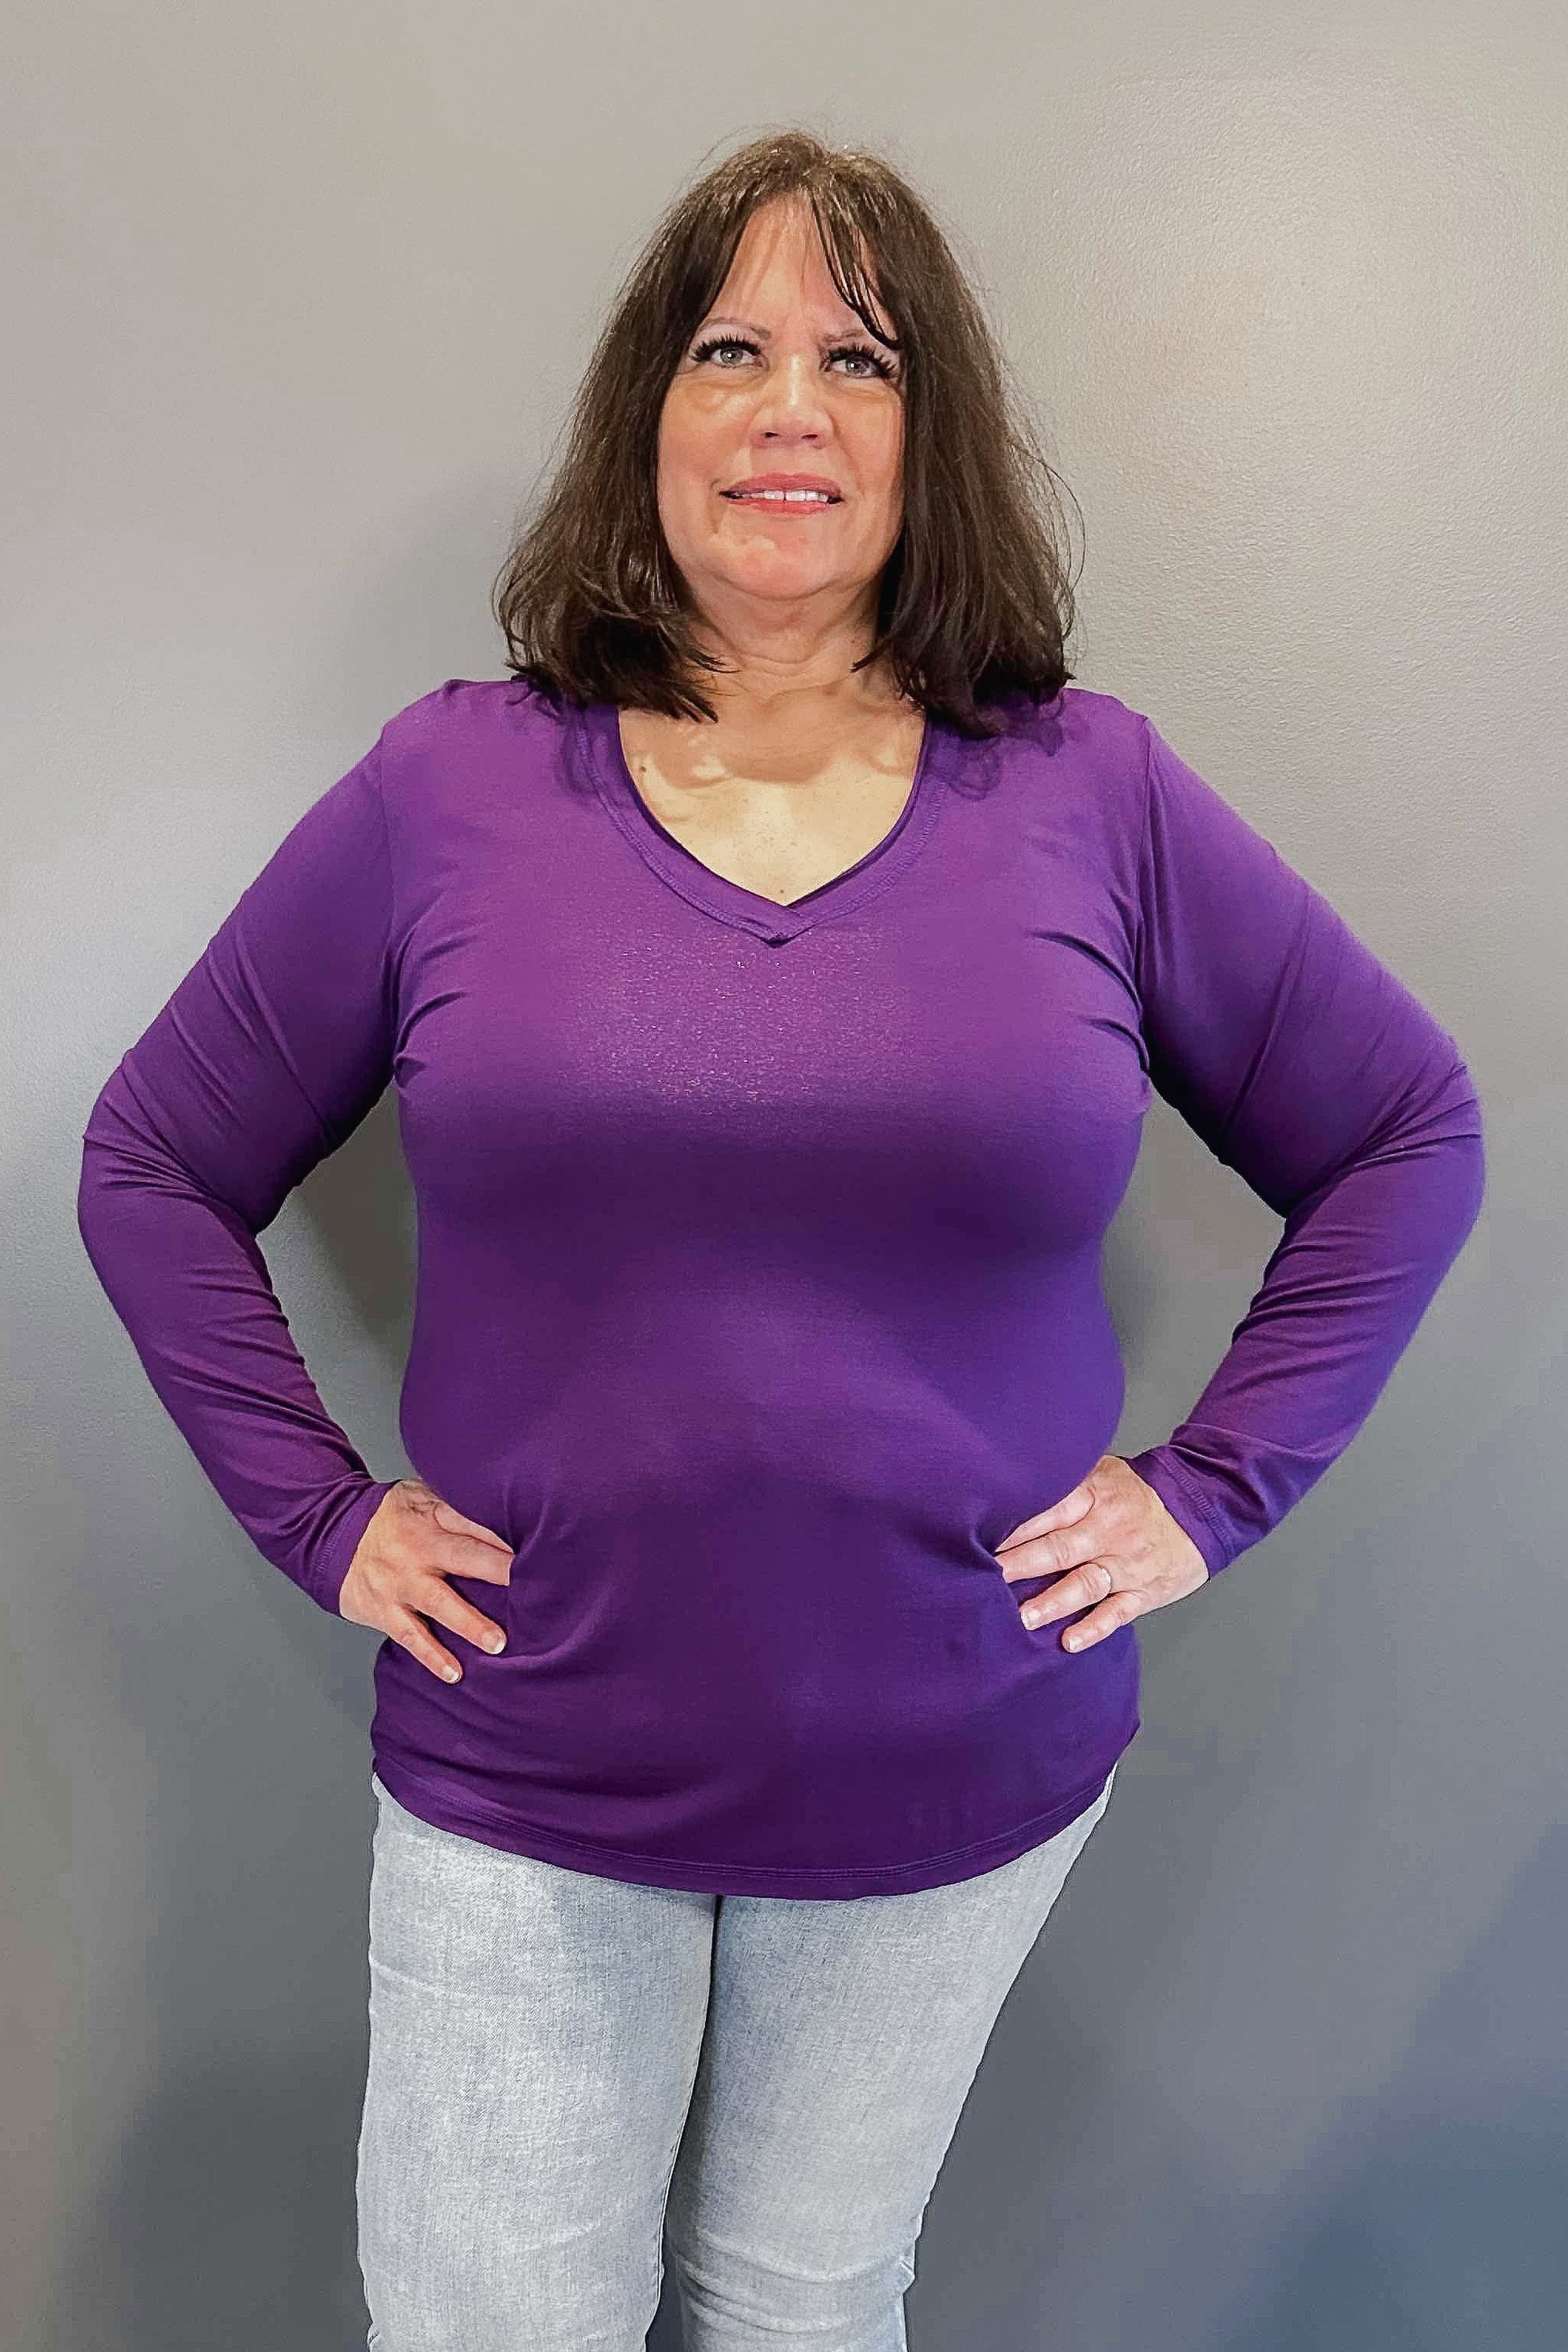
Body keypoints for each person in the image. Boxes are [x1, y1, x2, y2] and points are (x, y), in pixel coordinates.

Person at [76, 128, 1486, 2352]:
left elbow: (1405, 1129)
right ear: (648, 415)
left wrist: (1213, 1491)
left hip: (958, 1758)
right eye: (728, 350)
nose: (788, 410)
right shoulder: (455, 787)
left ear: (932, 435)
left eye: (859, 357)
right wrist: (320, 1516)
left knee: (802, 2307)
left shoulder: (1093, 792)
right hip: (533, 1758)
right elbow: (153, 1157)